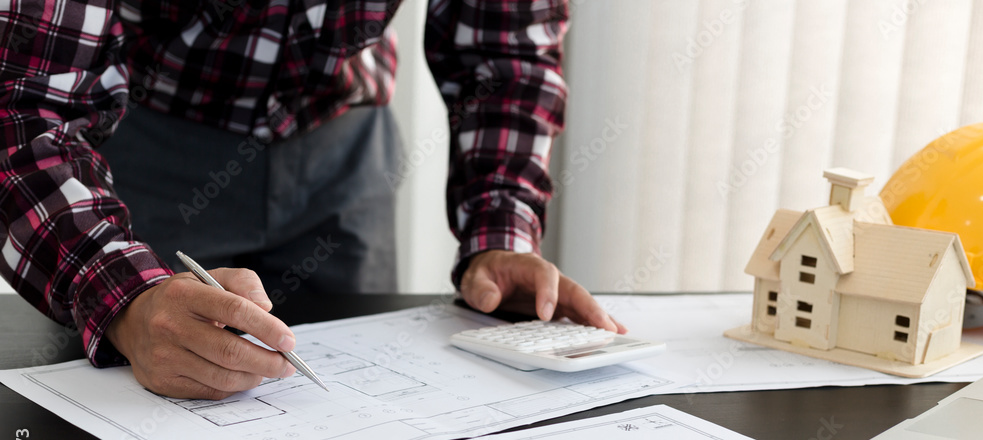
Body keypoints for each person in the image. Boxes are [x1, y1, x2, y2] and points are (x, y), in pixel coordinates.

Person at [0, 1, 622, 400]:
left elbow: (502, 47)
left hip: (344, 157)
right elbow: (22, 106)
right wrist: (122, 295)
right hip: (139, 155)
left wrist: (500, 231)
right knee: (142, 410)